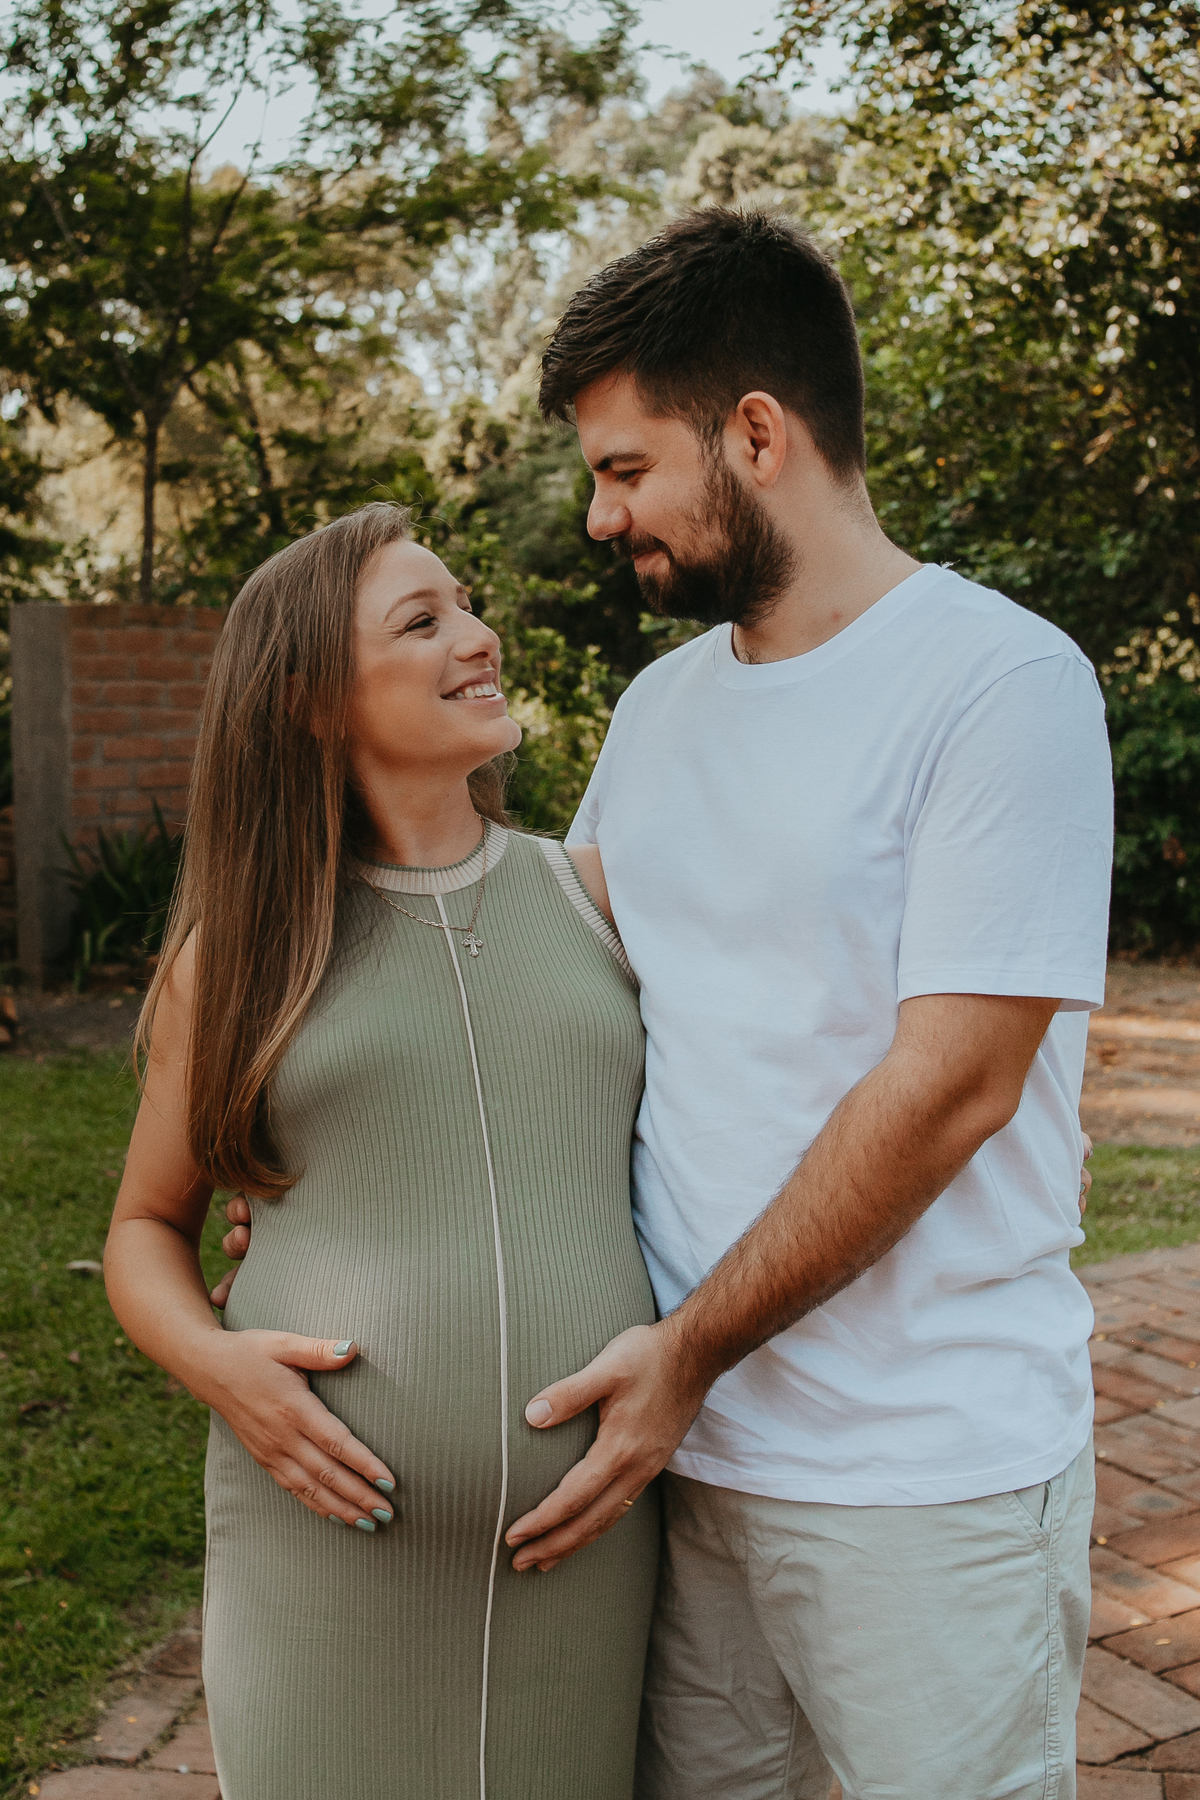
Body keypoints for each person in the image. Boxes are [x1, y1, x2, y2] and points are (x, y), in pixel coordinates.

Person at [493, 208, 1113, 1799]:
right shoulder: (660, 705)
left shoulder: (1001, 683)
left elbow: (950, 1089)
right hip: (686, 1466)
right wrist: (339, 1163)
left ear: (754, 433)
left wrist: (686, 1353)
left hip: (926, 1481)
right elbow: (555, 983)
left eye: (626, 466)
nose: (596, 511)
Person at [103, 504, 659, 1800]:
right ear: (309, 700)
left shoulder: (602, 900)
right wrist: (223, 1370)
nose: (480, 636)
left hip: (587, 1559)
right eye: (425, 621)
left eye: (467, 603)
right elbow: (143, 1226)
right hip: (321, 1563)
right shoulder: (241, 958)